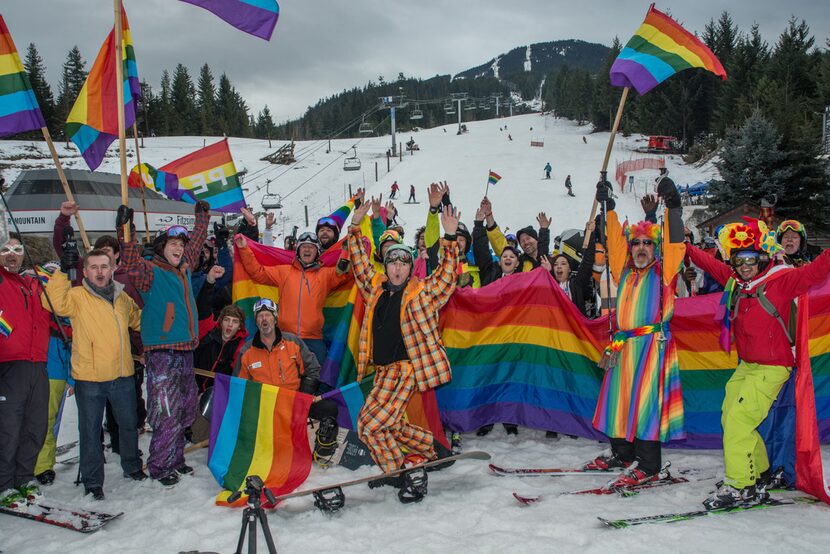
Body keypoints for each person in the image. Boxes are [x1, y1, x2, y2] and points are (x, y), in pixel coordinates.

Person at [686, 218, 830, 508]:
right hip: (747, 365)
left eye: (752, 259)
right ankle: (758, 473)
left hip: (773, 367)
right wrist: (684, 247)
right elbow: (711, 264)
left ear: (764, 257)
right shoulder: (738, 282)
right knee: (730, 416)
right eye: (739, 260)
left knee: (740, 420)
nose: (745, 265)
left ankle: (741, 486)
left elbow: (817, 271)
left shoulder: (782, 280)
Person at [346, 199, 460, 502]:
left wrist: (449, 239)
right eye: (393, 262)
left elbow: (447, 277)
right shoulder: (376, 288)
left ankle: (400, 473)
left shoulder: (422, 292)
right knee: (391, 424)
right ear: (386, 265)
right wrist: (356, 226)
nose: (397, 267)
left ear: (410, 267)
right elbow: (358, 263)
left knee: (368, 426)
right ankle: (432, 448)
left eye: (404, 262)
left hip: (405, 368)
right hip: (383, 371)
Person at [586, 178, 686, 487]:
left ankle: (649, 463)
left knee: (646, 404)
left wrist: (673, 208)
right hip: (624, 347)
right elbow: (614, 242)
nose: (641, 248)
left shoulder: (664, 270)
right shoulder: (625, 271)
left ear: (654, 248)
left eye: (647, 243)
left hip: (652, 347)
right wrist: (609, 208)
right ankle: (622, 453)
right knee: (619, 399)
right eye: (637, 243)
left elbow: (675, 243)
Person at [117, 201, 210, 486]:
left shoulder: (183, 269)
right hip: (162, 353)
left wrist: (202, 218)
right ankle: (159, 465)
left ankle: (176, 458)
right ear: (161, 247)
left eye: (180, 245)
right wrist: (126, 231)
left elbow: (195, 244)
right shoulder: (150, 272)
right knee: (166, 410)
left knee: (185, 408)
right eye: (172, 243)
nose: (179, 248)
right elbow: (130, 261)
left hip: (185, 351)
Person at [46, 249, 146, 500]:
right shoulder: (77, 296)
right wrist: (61, 271)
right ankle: (93, 482)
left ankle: (132, 466)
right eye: (94, 267)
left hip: (122, 375)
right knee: (89, 431)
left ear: (112, 268)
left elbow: (139, 321)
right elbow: (51, 302)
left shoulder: (122, 297)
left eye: (105, 266)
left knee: (128, 426)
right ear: (85, 271)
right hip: (90, 379)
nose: (100, 272)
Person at [235, 298, 340, 466]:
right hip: (266, 407)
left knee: (329, 409)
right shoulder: (247, 351)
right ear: (256, 321)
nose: (264, 319)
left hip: (294, 402)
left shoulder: (292, 342)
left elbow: (313, 368)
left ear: (275, 319)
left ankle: (323, 451)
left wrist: (303, 396)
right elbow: (239, 387)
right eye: (260, 316)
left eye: (268, 315)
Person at [234, 227, 353, 371]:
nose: (307, 250)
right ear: (298, 250)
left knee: (317, 379)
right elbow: (257, 272)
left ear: (317, 252)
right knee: (286, 379)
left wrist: (348, 248)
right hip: (286, 337)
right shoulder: (284, 271)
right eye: (304, 247)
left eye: (311, 247)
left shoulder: (325, 275)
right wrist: (244, 249)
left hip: (313, 340)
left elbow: (343, 272)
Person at [0, 234, 51, 507]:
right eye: (5, 249)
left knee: (35, 425)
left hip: (38, 364)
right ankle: (3, 483)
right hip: (8, 366)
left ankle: (24, 477)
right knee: (8, 428)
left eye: (17, 249)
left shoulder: (35, 284)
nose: (11, 254)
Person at [480, 197, 550, 272]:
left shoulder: (550, 261)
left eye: (528, 238)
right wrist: (488, 215)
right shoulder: (519, 262)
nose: (526, 242)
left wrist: (544, 230)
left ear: (537, 240)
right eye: (522, 241)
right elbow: (499, 243)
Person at [545, 220, 597, 318]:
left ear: (569, 269)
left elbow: (587, 261)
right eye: (556, 264)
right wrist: (544, 230)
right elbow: (542, 257)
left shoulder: (577, 284)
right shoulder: (549, 286)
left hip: (575, 329)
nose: (559, 266)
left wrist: (589, 233)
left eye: (563, 263)